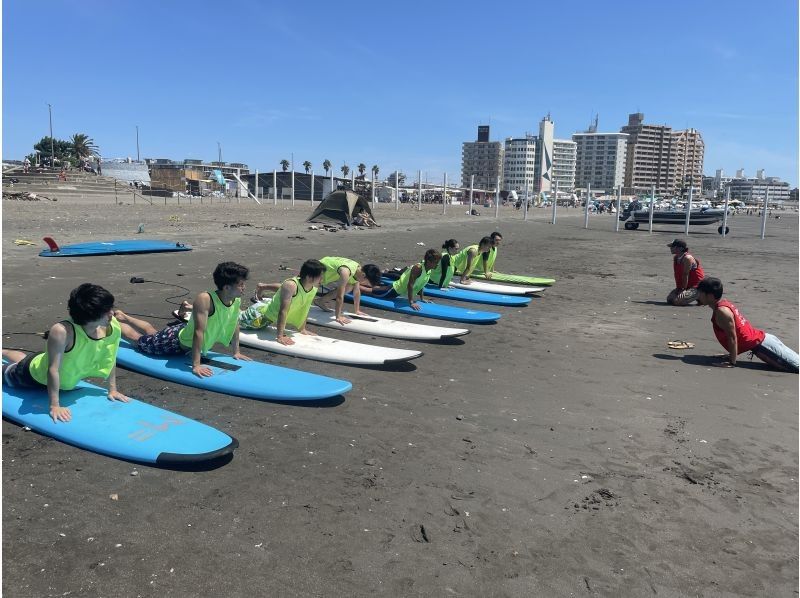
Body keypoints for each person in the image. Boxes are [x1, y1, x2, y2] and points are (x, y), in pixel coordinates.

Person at [2, 283, 128, 423]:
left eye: (110, 307)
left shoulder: (112, 326)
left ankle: (3, 351)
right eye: (105, 311)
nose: (112, 313)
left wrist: (113, 389)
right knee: (13, 369)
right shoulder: (63, 331)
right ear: (88, 316)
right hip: (32, 376)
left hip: (40, 361)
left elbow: (110, 357)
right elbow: (53, 369)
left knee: (27, 359)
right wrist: (55, 406)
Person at [116, 262, 251, 378]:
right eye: (241, 284)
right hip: (174, 342)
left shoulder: (236, 300)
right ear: (227, 287)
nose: (244, 287)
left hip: (182, 335)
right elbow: (198, 332)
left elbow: (235, 325)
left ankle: (124, 317)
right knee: (138, 340)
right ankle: (114, 323)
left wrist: (236, 352)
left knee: (153, 334)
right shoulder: (205, 299)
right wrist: (196, 365)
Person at [696, 277, 798, 373]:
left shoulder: (722, 311)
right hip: (763, 342)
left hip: (764, 346)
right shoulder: (722, 305)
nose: (698, 296)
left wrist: (732, 362)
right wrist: (731, 355)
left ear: (710, 296)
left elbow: (732, 337)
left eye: (700, 293)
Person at [239, 259, 324, 345]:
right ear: (309, 277)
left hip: (267, 312)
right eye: (320, 276)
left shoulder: (313, 288)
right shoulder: (291, 285)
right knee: (233, 322)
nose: (322, 279)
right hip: (259, 316)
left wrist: (302, 329)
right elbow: (283, 311)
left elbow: (304, 309)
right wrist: (280, 336)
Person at [360, 249, 441, 311]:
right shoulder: (418, 268)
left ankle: (360, 283)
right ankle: (354, 285)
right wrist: (411, 302)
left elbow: (421, 284)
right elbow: (410, 285)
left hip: (397, 291)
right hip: (394, 290)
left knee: (377, 288)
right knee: (369, 291)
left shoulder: (429, 270)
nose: (437, 264)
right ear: (429, 261)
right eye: (436, 262)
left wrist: (422, 298)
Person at [315, 257, 381, 325]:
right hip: (315, 270)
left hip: (328, 273)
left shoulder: (358, 270)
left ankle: (320, 301)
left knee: (350, 286)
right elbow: (339, 296)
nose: (365, 285)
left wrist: (357, 310)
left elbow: (357, 292)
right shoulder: (346, 272)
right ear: (363, 275)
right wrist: (338, 316)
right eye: (366, 283)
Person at [666, 238, 705, 306]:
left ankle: (701, 295)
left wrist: (683, 290)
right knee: (669, 299)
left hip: (698, 286)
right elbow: (677, 274)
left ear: (680, 248)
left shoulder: (687, 258)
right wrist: (679, 288)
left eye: (673, 247)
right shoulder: (676, 258)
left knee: (678, 302)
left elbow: (685, 274)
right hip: (687, 285)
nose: (671, 248)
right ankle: (693, 295)